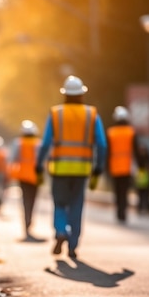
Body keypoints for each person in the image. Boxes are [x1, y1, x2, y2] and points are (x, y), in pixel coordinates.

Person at [35, 75, 107, 259]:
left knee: (59, 203)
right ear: (81, 95)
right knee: (76, 206)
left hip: (59, 168)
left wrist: (38, 164)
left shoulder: (56, 114)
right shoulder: (91, 114)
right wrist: (99, 167)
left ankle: (60, 231)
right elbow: (102, 144)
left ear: (65, 94)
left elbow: (45, 144)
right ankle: (73, 245)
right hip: (82, 170)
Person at [107, 105, 140, 224]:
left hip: (115, 167)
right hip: (127, 167)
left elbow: (107, 151)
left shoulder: (111, 132)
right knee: (125, 191)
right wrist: (141, 165)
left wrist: (105, 167)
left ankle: (119, 213)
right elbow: (136, 151)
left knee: (117, 191)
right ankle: (123, 213)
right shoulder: (131, 132)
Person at [9, 120, 42, 238]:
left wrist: (11, 175)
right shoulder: (38, 143)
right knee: (32, 202)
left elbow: (13, 159)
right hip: (35, 177)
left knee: (25, 202)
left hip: (22, 176)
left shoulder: (18, 143)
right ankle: (29, 224)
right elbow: (42, 160)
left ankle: (26, 225)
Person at [135, 143, 149, 216]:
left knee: (147, 195)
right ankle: (141, 209)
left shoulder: (148, 158)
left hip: (146, 178)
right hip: (141, 178)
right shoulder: (140, 157)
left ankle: (147, 209)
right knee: (141, 195)